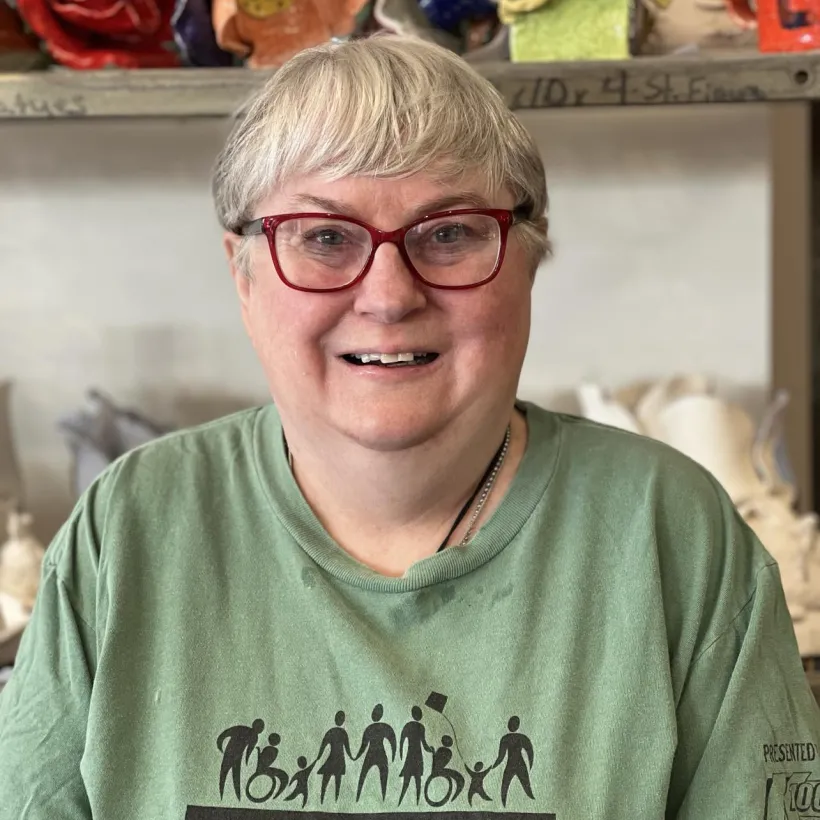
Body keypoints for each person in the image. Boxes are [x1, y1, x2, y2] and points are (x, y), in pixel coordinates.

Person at [0, 32, 818, 820]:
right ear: (242, 274)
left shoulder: (672, 538)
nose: (388, 296)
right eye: (324, 237)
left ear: (528, 259)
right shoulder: (130, 530)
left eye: (450, 233)